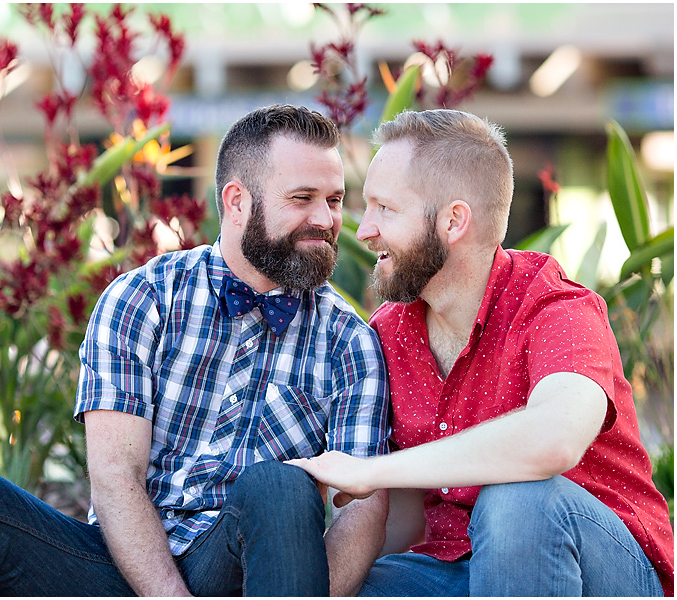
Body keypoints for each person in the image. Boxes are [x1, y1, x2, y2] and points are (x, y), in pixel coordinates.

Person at [0, 104, 391, 597]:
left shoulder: (349, 341)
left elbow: (362, 510)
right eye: (303, 198)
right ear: (236, 202)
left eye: (334, 199)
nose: (326, 219)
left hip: (240, 572)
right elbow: (115, 478)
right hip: (119, 561)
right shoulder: (143, 299)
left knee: (281, 486)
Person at [288, 108, 674, 597]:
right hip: (455, 568)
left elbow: (553, 441)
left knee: (519, 500)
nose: (363, 230)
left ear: (454, 221)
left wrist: (369, 471)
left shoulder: (558, 309)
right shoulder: (390, 332)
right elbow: (400, 521)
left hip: (603, 571)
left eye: (385, 209)